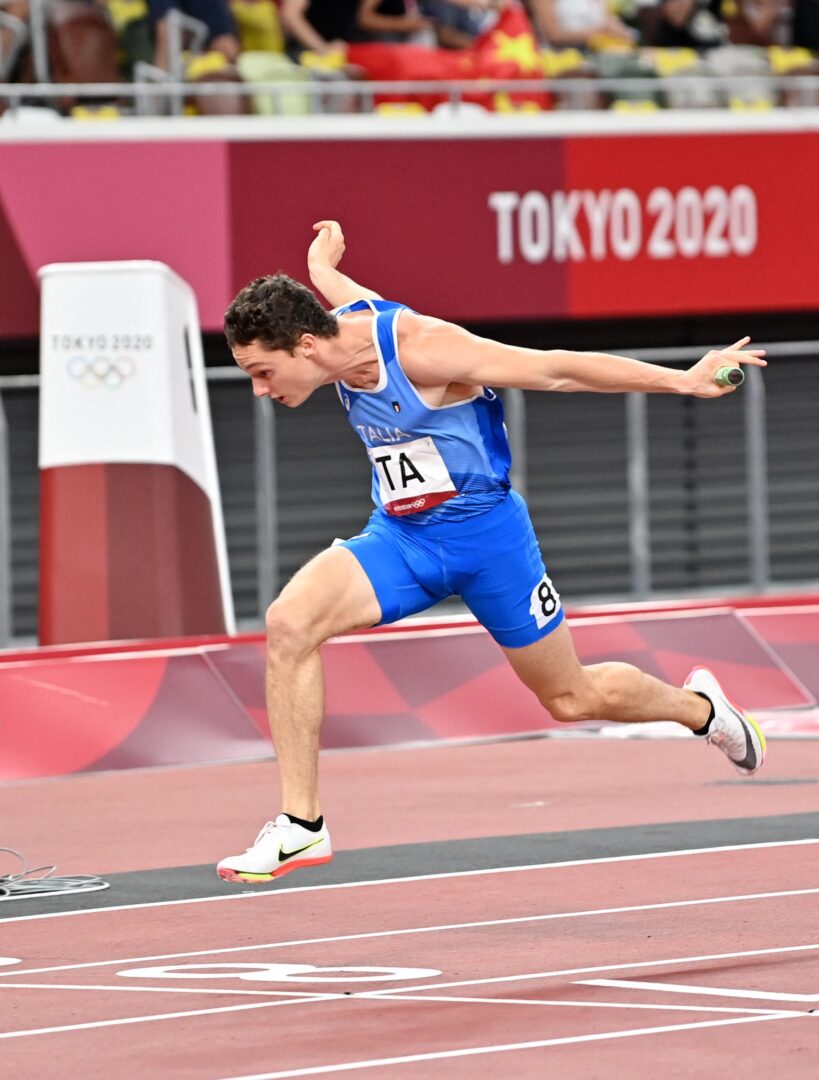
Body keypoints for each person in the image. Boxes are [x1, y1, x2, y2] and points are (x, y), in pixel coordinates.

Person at [215, 221, 768, 884]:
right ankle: (301, 828)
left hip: (490, 542)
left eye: (263, 372)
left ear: (305, 346)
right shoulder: (328, 332)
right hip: (404, 538)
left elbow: (556, 369)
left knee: (571, 698)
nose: (260, 390)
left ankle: (702, 711)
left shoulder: (426, 350)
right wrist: (320, 262)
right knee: (289, 621)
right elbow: (333, 289)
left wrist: (685, 382)